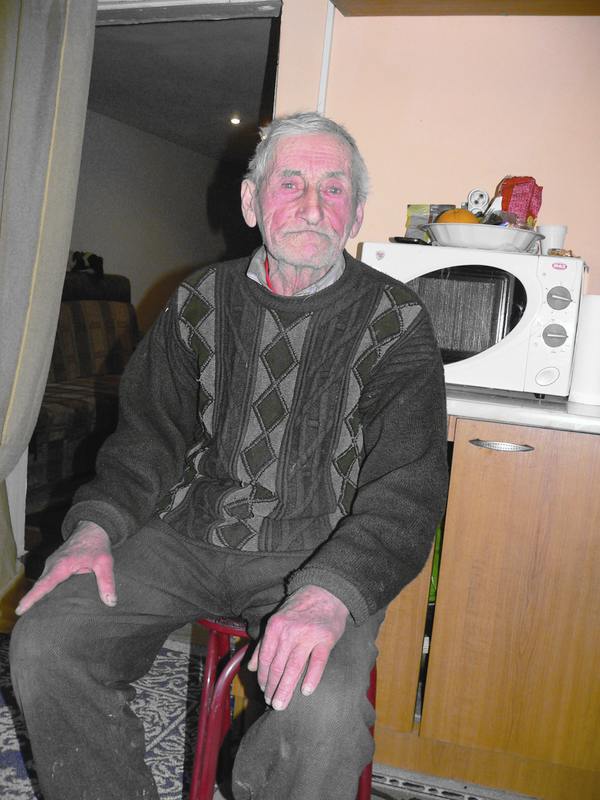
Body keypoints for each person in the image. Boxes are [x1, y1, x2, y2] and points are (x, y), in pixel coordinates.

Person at [10, 112, 448, 800]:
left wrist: (331, 594)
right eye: (290, 183)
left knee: (323, 720)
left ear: (357, 213)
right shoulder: (198, 301)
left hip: (319, 549)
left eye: (334, 189)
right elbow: (148, 438)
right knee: (46, 642)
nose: (313, 207)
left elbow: (409, 487)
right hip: (183, 535)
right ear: (251, 202)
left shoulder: (397, 320)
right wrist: (94, 528)